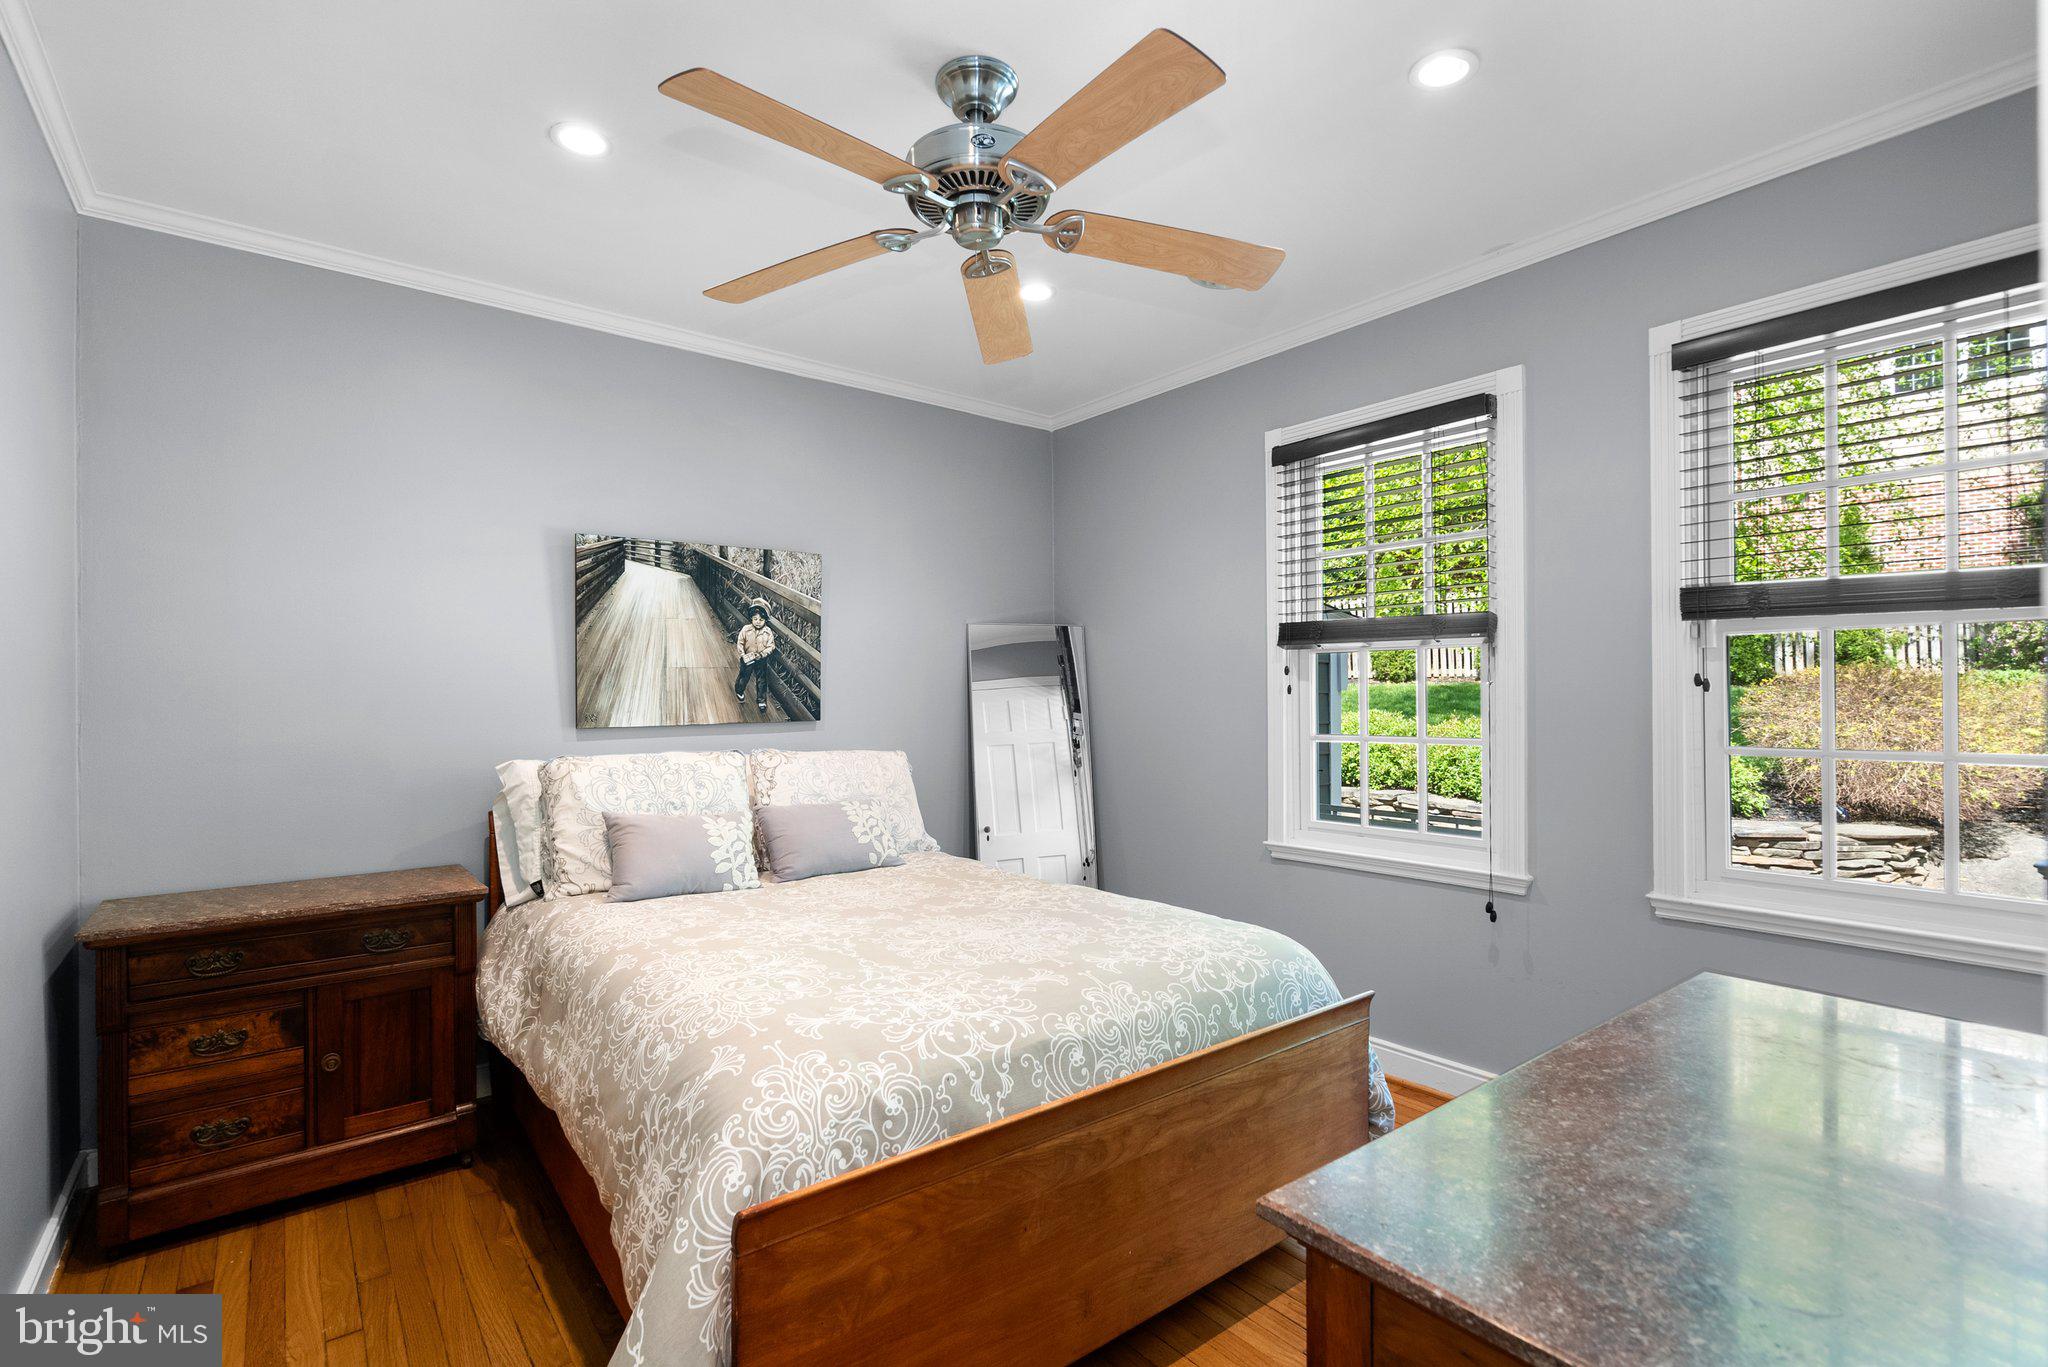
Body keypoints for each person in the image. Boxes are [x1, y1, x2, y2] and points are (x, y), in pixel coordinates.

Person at [733, 598, 777, 716]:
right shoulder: (746, 630)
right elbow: (740, 643)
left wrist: (763, 654)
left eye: (761, 619)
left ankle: (761, 700)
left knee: (762, 679)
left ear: (765, 620)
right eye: (755, 619)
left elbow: (771, 646)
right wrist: (742, 655)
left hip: (761, 659)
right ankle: (739, 690)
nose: (758, 622)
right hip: (747, 658)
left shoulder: (768, 632)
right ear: (751, 618)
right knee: (744, 675)